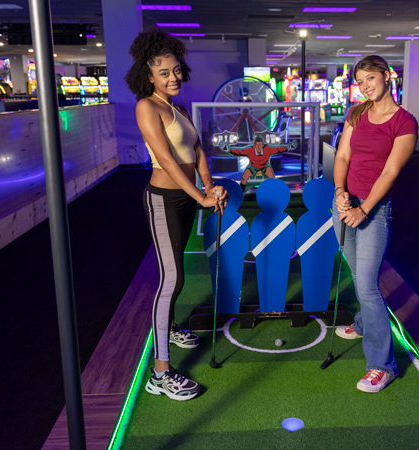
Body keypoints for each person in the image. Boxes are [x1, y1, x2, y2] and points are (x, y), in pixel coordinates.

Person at [125, 29, 228, 401]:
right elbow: (166, 159)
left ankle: (167, 328)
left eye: (176, 70)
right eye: (164, 73)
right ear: (149, 76)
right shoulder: (146, 106)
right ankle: (160, 372)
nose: (173, 77)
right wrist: (200, 196)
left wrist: (209, 186)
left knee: (178, 274)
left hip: (186, 199)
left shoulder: (178, 109)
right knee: (171, 279)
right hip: (163, 200)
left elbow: (197, 150)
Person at [332, 55, 418, 393]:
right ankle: (364, 322)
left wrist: (364, 209)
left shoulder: (405, 122)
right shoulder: (356, 113)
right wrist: (340, 192)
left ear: (387, 76)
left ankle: (383, 365)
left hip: (373, 211)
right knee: (357, 275)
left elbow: (390, 172)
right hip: (344, 205)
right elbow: (342, 157)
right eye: (360, 81)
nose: (366, 86)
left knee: (367, 285)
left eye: (370, 78)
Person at [218, 136, 297, 190]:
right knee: (244, 178)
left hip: (265, 166)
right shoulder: (250, 150)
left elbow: (278, 149)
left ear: (263, 145)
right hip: (253, 166)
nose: (258, 147)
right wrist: (228, 149)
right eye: (257, 145)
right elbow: (239, 152)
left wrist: (289, 147)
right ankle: (240, 194)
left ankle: (275, 193)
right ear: (254, 145)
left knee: (272, 179)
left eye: (260, 145)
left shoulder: (267, 149)